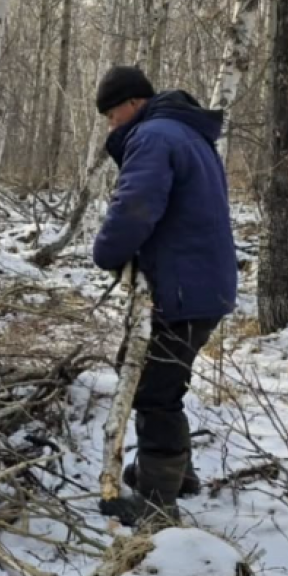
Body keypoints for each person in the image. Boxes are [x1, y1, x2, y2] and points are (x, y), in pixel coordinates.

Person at [92, 65, 237, 527]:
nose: (111, 125)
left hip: (183, 288)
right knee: (164, 380)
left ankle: (158, 501)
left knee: (155, 390)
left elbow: (136, 205)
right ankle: (177, 474)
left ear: (131, 104)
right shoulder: (185, 133)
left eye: (112, 114)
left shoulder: (153, 136)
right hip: (199, 284)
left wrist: (107, 251)